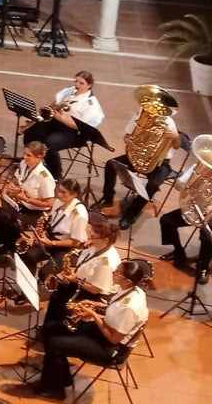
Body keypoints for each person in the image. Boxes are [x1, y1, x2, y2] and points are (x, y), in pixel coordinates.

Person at [34, 259, 150, 401]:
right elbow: (115, 309)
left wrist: (93, 315)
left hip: (111, 347)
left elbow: (114, 338)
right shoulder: (131, 290)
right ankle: (62, 378)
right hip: (106, 330)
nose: (113, 273)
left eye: (117, 273)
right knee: (51, 328)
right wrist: (95, 305)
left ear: (127, 280)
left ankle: (54, 390)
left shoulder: (130, 307)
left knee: (54, 343)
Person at [99, 103, 180, 231]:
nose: (148, 111)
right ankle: (107, 198)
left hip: (160, 162)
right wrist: (128, 141)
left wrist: (176, 137)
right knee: (111, 164)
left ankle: (132, 214)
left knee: (153, 185)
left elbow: (176, 145)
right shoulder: (141, 114)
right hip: (139, 155)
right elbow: (127, 136)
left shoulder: (168, 121)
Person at [22, 71, 105, 181]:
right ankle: (32, 160)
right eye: (77, 81)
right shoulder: (70, 91)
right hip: (58, 123)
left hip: (75, 133)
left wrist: (61, 118)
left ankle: (56, 175)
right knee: (30, 133)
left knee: (50, 143)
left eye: (81, 83)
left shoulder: (91, 104)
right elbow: (56, 102)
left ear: (89, 85)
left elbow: (80, 126)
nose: (77, 85)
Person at [42, 219, 121, 326]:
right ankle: (48, 327)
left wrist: (74, 279)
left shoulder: (106, 264)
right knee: (56, 296)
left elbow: (96, 289)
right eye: (90, 235)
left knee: (61, 302)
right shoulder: (95, 247)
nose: (89, 239)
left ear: (106, 240)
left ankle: (54, 329)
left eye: (93, 237)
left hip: (93, 294)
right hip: (81, 281)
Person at [0, 142, 55, 255]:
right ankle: (3, 244)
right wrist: (12, 186)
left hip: (36, 213)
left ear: (39, 157)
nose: (25, 157)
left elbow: (49, 203)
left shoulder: (45, 177)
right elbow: (17, 179)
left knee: (10, 220)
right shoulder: (24, 163)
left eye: (29, 155)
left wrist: (26, 199)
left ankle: (12, 247)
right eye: (25, 154)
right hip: (21, 204)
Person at [20, 177, 88, 282]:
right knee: (27, 255)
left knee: (45, 273)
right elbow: (52, 221)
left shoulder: (79, 214)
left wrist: (51, 243)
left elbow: (75, 242)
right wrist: (43, 233)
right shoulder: (59, 201)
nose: (59, 195)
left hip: (67, 248)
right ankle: (27, 287)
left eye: (63, 192)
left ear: (74, 195)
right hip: (51, 240)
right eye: (59, 191)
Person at [158, 204, 212, 284]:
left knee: (208, 237)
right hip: (198, 209)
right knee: (166, 220)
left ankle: (204, 267)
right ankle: (179, 252)